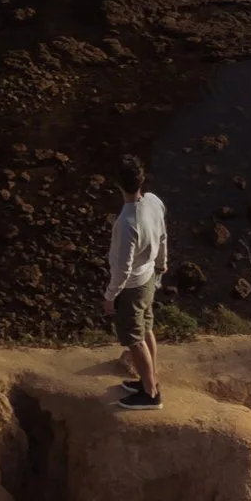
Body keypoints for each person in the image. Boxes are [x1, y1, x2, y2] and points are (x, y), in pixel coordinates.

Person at [104, 153, 167, 408]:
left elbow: (123, 268)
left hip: (131, 287)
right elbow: (163, 235)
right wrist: (162, 264)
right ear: (141, 181)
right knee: (146, 328)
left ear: (118, 185)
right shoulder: (153, 201)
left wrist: (110, 296)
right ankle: (149, 380)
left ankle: (150, 394)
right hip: (149, 278)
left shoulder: (127, 222)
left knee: (134, 338)